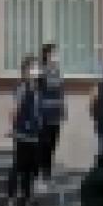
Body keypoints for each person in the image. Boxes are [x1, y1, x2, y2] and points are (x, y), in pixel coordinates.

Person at [5, 55, 43, 206]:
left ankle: (27, 197)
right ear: (25, 70)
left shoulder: (37, 89)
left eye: (36, 68)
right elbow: (15, 109)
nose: (35, 71)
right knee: (18, 166)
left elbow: (38, 111)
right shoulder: (21, 88)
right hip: (22, 133)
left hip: (34, 133)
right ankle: (11, 198)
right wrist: (13, 128)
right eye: (32, 68)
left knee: (30, 167)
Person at [37, 43, 67, 192]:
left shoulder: (58, 72)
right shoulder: (41, 72)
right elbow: (38, 93)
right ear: (47, 55)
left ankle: (48, 175)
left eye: (57, 53)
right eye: (53, 53)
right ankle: (41, 176)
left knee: (52, 145)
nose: (56, 56)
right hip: (44, 115)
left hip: (55, 114)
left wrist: (63, 110)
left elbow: (61, 93)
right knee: (44, 145)